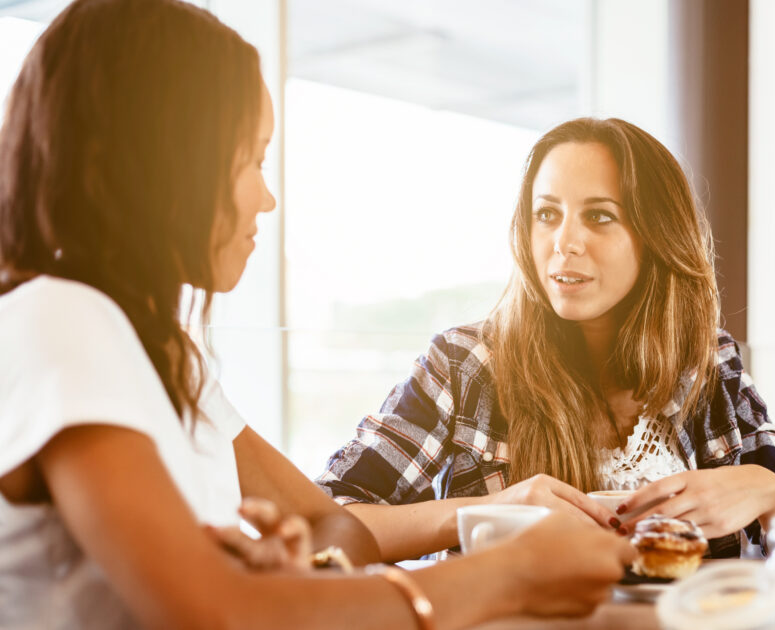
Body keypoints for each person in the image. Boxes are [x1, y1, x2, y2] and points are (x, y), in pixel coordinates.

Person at [0, 1, 635, 628]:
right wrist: (510, 571)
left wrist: (295, 575)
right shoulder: (64, 322)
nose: (266, 196)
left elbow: (331, 524)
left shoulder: (165, 354)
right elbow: (214, 611)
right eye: (252, 158)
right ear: (165, 163)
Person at [317, 117, 775, 562]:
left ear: (656, 235)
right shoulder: (463, 362)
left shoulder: (707, 362)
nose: (564, 243)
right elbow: (328, 521)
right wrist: (487, 514)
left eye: (599, 216)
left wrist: (768, 492)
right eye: (547, 215)